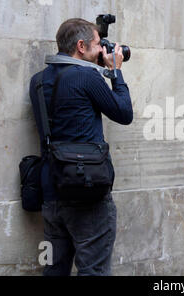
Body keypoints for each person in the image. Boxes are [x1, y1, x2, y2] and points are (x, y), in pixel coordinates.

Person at [29, 18, 133, 276]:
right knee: (93, 270)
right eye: (99, 45)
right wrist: (115, 72)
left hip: (52, 191)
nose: (103, 51)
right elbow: (124, 113)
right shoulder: (86, 77)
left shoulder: (38, 80)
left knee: (55, 270)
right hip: (87, 193)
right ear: (81, 46)